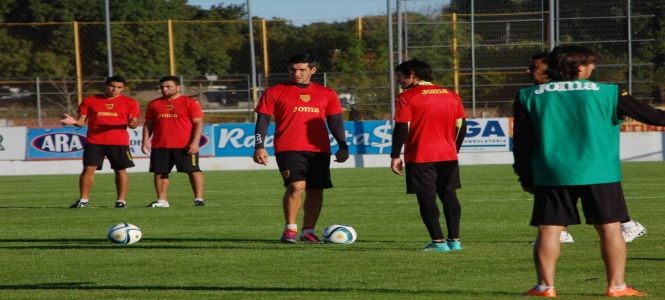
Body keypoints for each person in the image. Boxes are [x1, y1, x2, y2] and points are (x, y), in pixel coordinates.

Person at [513, 45, 664, 297]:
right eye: (591, 64)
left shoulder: (529, 95)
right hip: (599, 171)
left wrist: (525, 175)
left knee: (549, 228)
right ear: (580, 67)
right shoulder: (609, 92)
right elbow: (653, 117)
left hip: (552, 173)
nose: (593, 68)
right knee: (609, 228)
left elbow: (522, 143)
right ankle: (617, 286)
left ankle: (544, 287)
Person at [527, 52, 647, 244]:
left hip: (586, 165)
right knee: (604, 222)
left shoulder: (536, 95)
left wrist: (524, 172)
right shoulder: (535, 94)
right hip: (572, 164)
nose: (528, 71)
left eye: (534, 67)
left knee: (606, 223)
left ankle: (626, 225)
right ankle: (562, 232)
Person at [253, 53, 349, 243]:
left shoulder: (327, 93)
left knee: (315, 190)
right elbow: (263, 119)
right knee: (297, 186)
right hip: (288, 147)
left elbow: (335, 121)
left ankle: (308, 231)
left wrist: (343, 145)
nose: (297, 73)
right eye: (293, 69)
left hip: (319, 149)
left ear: (312, 70)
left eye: (302, 69)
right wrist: (259, 146)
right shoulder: (274, 92)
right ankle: (290, 229)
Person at [390, 59, 466, 252]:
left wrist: (395, 155)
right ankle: (454, 241)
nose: (398, 80)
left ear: (412, 74)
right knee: (449, 195)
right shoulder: (451, 94)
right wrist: (453, 149)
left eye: (400, 75)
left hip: (421, 155)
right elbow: (462, 126)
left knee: (426, 197)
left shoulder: (407, 97)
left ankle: (438, 242)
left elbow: (401, 128)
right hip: (448, 155)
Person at [61, 75, 140, 208]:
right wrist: (74, 121)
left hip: (119, 142)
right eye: (112, 86)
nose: (115, 89)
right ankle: (84, 200)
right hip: (95, 141)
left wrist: (133, 123)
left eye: (119, 87)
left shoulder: (130, 102)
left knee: (120, 170)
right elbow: (81, 121)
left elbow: (133, 124)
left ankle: (121, 201)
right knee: (88, 168)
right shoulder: (90, 100)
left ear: (123, 88)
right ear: (106, 85)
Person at [141, 75, 205, 208]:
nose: (164, 89)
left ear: (178, 87)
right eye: (162, 87)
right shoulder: (154, 104)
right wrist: (145, 141)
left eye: (168, 86)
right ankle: (162, 201)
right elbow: (149, 124)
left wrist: (195, 142)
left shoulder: (190, 103)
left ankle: (199, 199)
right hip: (160, 145)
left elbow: (198, 123)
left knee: (193, 170)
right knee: (160, 172)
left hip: (184, 145)